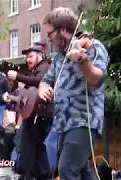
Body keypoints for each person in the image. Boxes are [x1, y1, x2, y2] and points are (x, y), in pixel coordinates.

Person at [38, 7, 109, 180]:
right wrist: (43, 88)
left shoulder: (94, 47)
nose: (49, 38)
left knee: (67, 169)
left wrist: (82, 61)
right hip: (62, 123)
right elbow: (46, 80)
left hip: (84, 120)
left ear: (63, 29)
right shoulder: (58, 57)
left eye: (50, 33)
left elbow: (96, 79)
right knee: (80, 171)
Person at [6, 44, 53, 179]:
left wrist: (18, 76)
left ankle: (27, 175)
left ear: (40, 55)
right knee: (37, 150)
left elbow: (40, 81)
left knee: (28, 149)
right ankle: (42, 176)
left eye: (31, 56)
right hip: (36, 116)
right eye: (27, 57)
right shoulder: (37, 69)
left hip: (39, 116)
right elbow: (29, 95)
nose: (28, 59)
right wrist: (15, 99)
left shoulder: (45, 67)